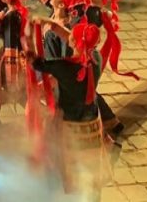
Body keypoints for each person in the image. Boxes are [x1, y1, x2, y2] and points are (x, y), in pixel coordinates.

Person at [28, 21, 108, 197]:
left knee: (56, 160)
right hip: (92, 122)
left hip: (69, 124)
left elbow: (36, 63)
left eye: (72, 36)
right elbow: (77, 40)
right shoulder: (95, 58)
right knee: (91, 166)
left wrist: (27, 43)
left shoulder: (64, 67)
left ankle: (57, 194)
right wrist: (52, 25)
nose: (69, 35)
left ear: (74, 43)